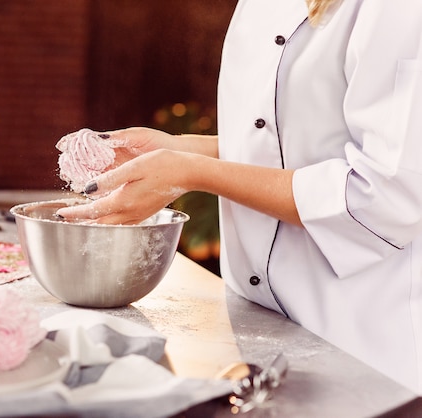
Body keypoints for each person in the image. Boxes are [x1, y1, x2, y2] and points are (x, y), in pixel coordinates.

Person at [56, 0, 422, 394]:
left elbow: (381, 195)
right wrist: (180, 151)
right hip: (257, 331)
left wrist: (190, 172)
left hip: (362, 348)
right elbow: (286, 141)